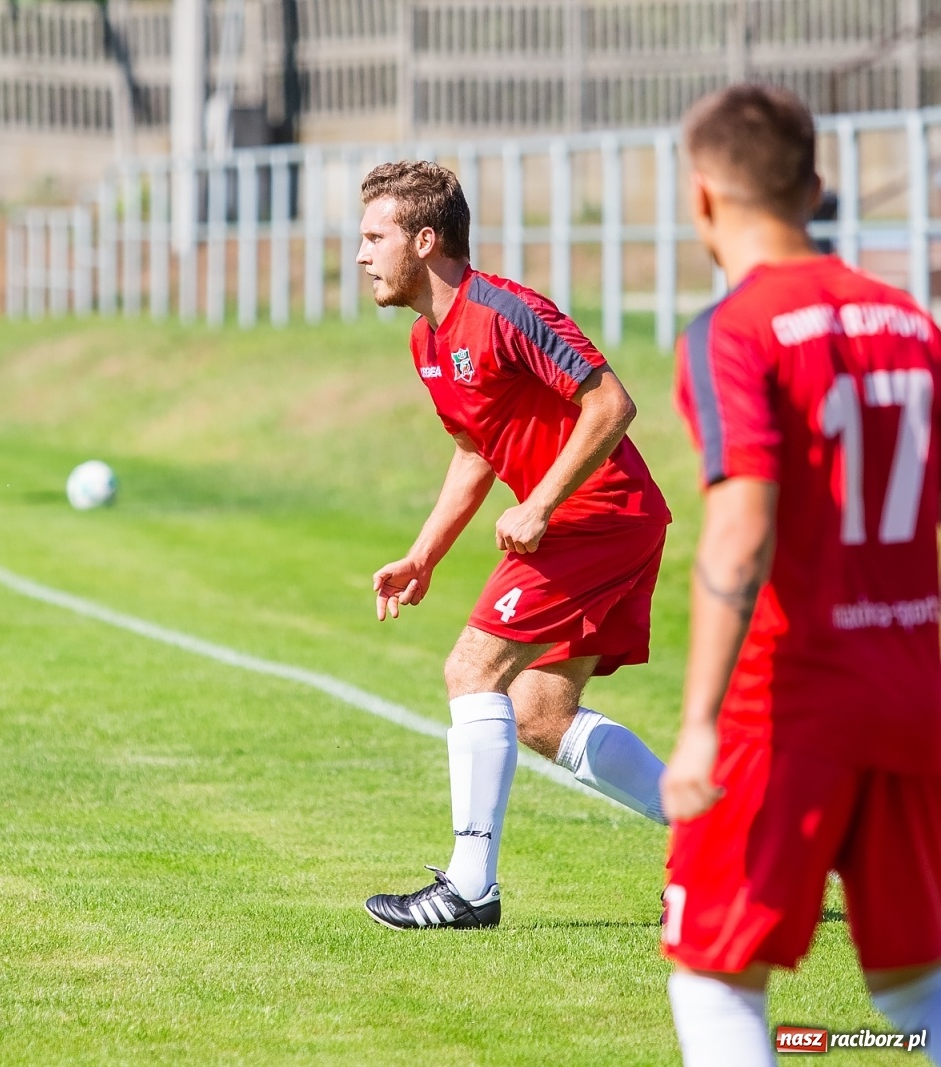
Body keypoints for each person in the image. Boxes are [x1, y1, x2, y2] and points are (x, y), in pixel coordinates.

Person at [663, 84, 941, 1067]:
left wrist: (696, 721)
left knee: (714, 972)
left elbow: (740, 530)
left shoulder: (729, 331)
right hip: (912, 692)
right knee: (914, 978)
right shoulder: (910, 320)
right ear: (815, 187)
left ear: (699, 197)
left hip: (789, 704)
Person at [356, 160, 673, 930]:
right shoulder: (427, 342)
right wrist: (424, 554)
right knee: (538, 711)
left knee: (472, 667)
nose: (361, 254)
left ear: (426, 240)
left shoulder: (506, 312)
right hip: (592, 519)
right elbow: (477, 448)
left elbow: (611, 403)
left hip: (598, 513)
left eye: (375, 236)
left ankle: (469, 889)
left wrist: (540, 503)